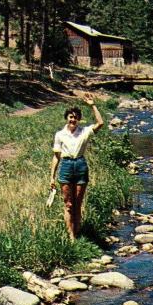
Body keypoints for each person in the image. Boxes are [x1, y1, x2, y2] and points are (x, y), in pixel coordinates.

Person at [49, 92, 104, 240]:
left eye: (76, 117)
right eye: (70, 117)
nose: (73, 120)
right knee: (68, 204)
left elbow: (100, 123)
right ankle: (71, 236)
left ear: (79, 119)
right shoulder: (60, 134)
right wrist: (52, 177)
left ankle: (78, 232)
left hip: (80, 165)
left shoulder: (84, 131)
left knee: (78, 203)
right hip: (66, 166)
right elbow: (56, 157)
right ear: (67, 118)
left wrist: (92, 106)